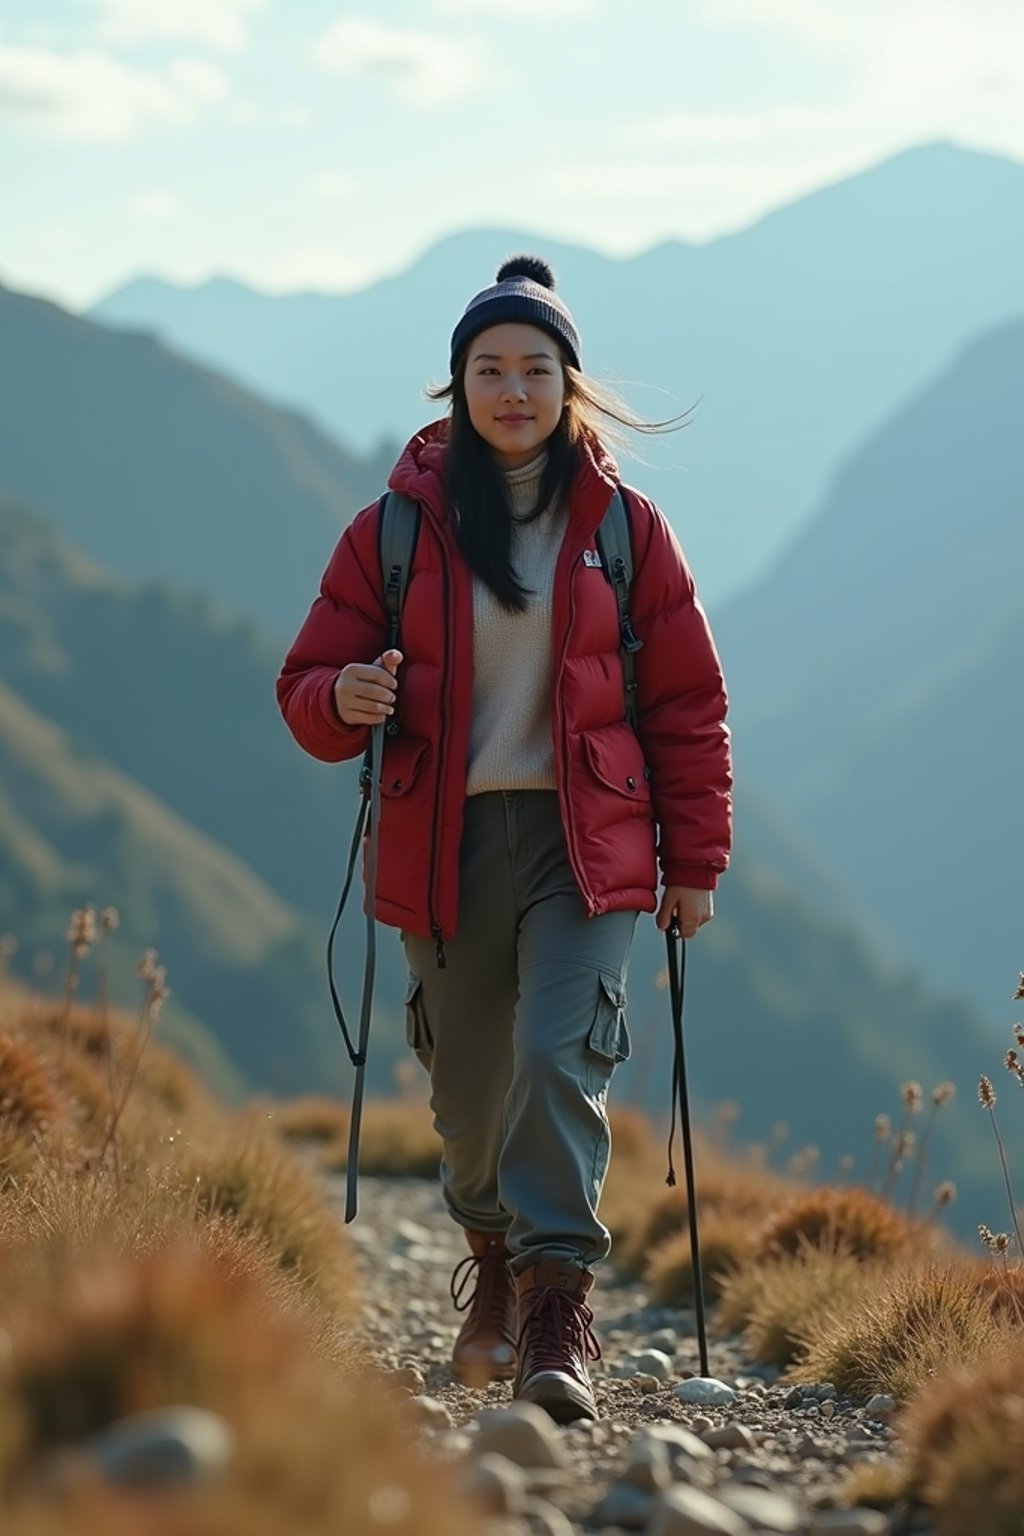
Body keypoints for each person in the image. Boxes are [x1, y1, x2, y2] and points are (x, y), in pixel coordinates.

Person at [276, 255, 732, 1424]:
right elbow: (305, 685)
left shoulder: (627, 531)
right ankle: (491, 1265)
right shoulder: (391, 532)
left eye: (535, 368)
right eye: (490, 369)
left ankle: (554, 1305)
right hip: (445, 843)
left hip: (590, 848)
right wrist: (346, 699)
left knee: (554, 1053)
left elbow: (685, 703)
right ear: (457, 387)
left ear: (570, 384)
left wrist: (696, 865)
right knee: (469, 1087)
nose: (512, 389)